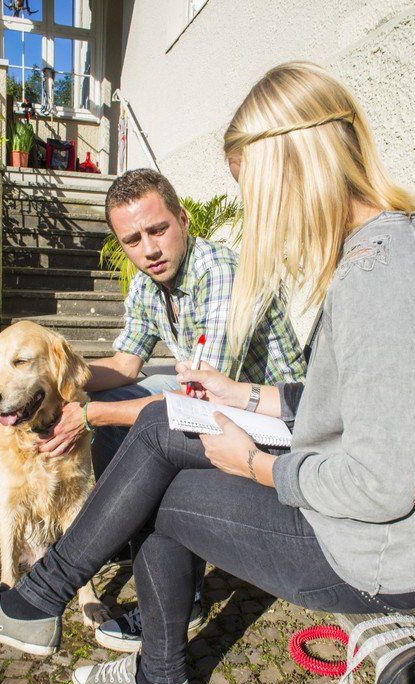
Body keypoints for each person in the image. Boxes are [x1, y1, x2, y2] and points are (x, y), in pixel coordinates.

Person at [0, 61, 415, 684]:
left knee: (148, 464)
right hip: (326, 477)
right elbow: (333, 405)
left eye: (254, 191)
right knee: (151, 435)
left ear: (296, 164)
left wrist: (253, 465)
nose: (256, 213)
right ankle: (86, 627)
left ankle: (67, 618)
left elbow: (380, 485)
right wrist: (233, 393)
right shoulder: (384, 249)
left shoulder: (374, 274)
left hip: (369, 553)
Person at [36, 168, 306, 648]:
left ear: (182, 219)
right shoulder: (147, 285)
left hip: (279, 421)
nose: (149, 249)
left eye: (157, 229)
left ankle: (186, 595)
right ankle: (127, 520)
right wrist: (57, 375)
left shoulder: (219, 273)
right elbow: (125, 365)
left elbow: (202, 402)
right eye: (133, 240)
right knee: (110, 399)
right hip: (217, 402)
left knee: (135, 423)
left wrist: (90, 416)